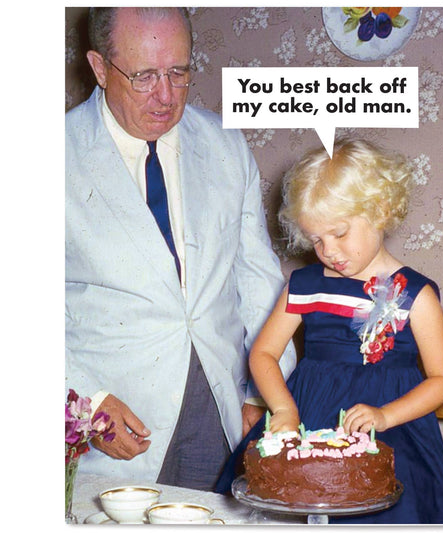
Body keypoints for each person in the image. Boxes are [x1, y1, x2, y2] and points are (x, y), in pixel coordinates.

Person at [65, 7, 296, 490]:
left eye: (179, 72)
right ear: (100, 67)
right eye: (144, 76)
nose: (167, 96)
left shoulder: (226, 144)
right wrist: (85, 401)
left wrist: (263, 392)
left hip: (219, 408)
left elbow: (258, 280)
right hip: (109, 418)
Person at [216, 139, 443, 524]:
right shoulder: (305, 286)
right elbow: (263, 353)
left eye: (339, 233)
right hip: (307, 416)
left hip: (392, 428)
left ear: (380, 211)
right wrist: (283, 408)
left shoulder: (417, 295)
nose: (328, 250)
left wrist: (385, 416)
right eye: (316, 239)